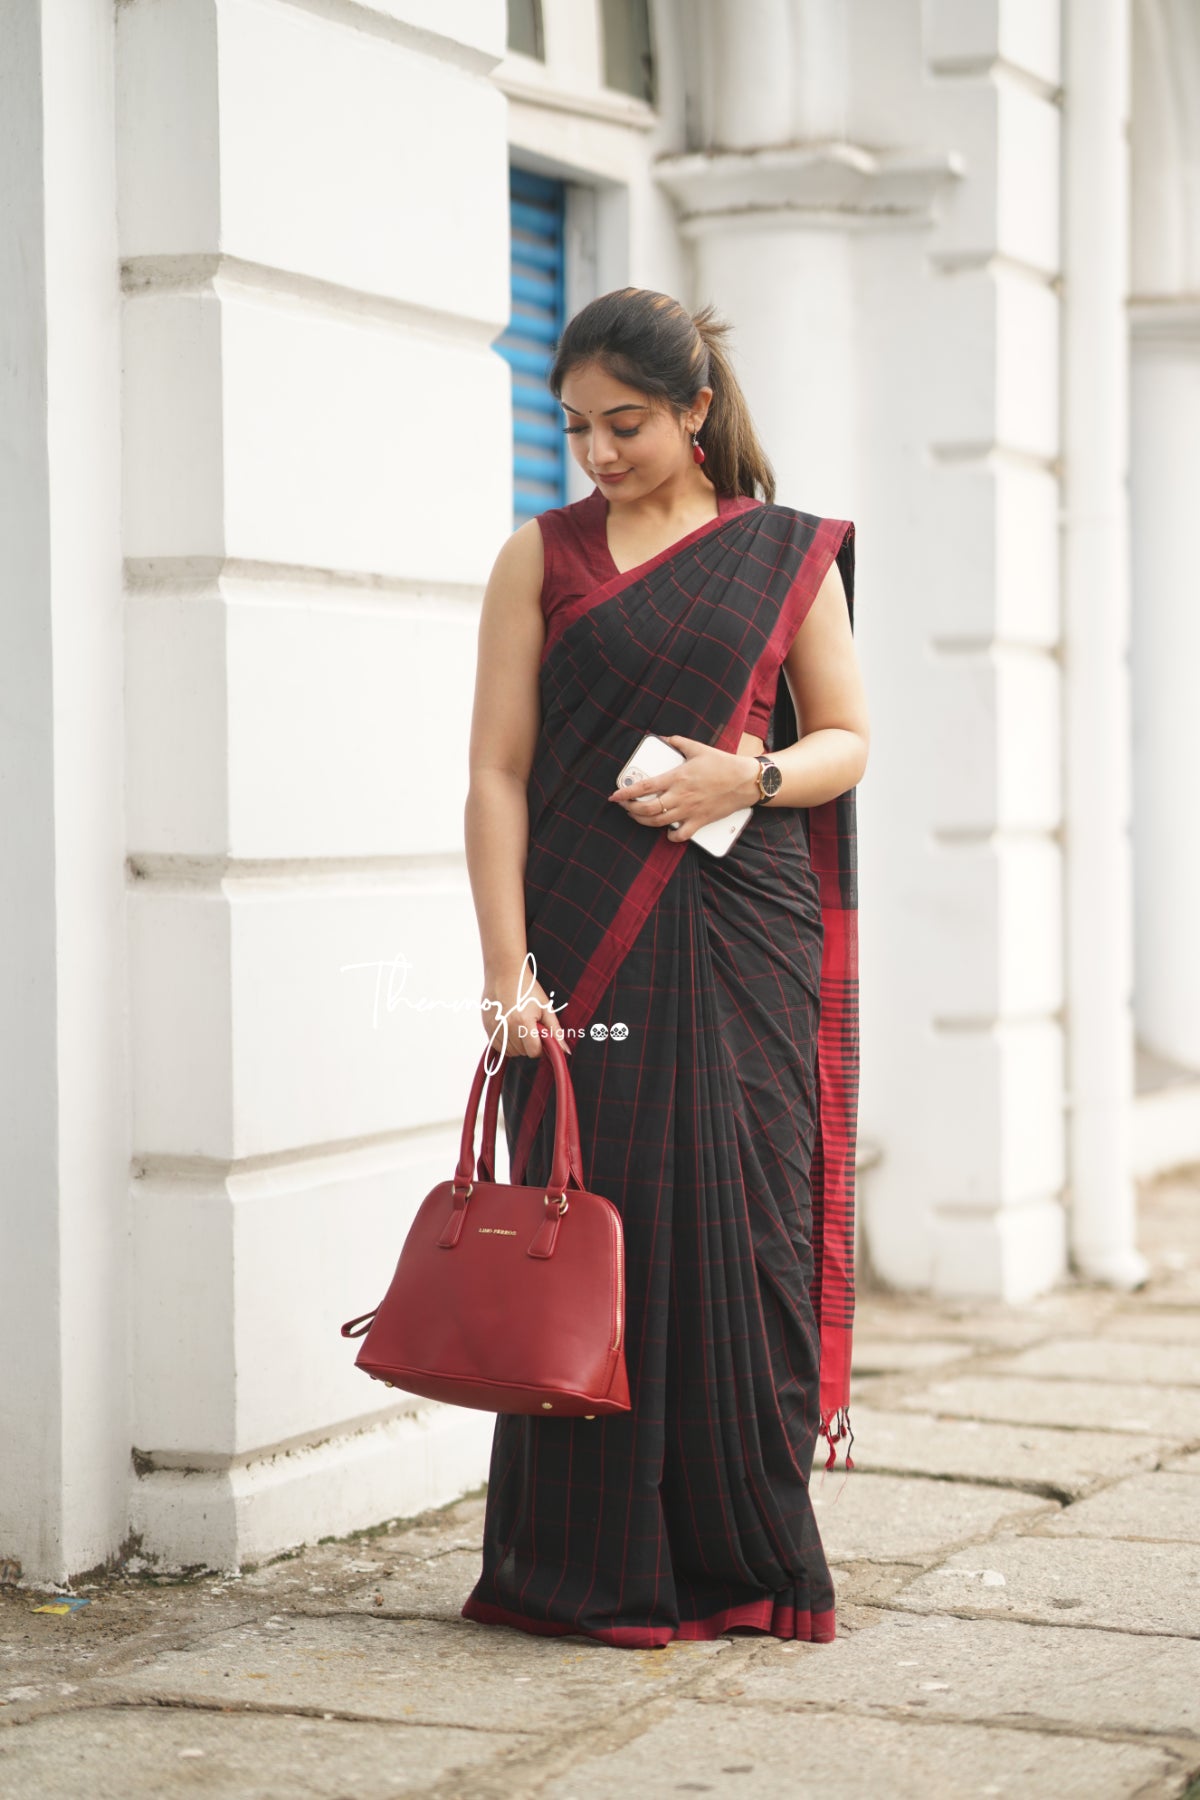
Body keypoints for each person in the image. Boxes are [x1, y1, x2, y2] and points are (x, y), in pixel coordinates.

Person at [459, 287, 868, 1649]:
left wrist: (743, 775)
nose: (596, 453)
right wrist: (509, 970)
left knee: (745, 1237)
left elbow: (846, 742)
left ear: (694, 409)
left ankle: (748, 1564)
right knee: (593, 1239)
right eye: (573, 426)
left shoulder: (782, 554)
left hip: (748, 938)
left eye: (622, 423)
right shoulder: (544, 556)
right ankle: (582, 1569)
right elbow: (496, 775)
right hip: (588, 951)